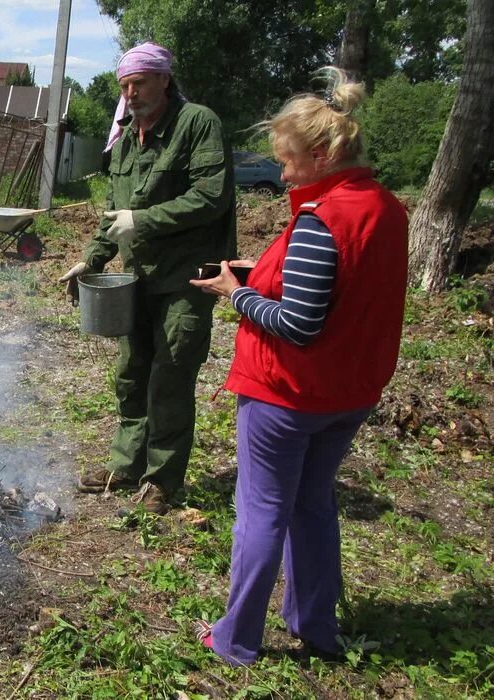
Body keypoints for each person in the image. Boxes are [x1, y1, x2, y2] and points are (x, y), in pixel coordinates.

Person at [189, 67, 408, 666]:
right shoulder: (385, 207)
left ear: (319, 156)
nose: (281, 173)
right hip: (350, 392)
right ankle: (314, 624)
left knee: (262, 511)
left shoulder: (321, 218)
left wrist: (236, 292)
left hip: (289, 394)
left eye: (286, 161)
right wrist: (265, 268)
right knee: (313, 504)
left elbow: (299, 323)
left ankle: (235, 639)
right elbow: (345, 285)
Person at [60, 42, 236, 514]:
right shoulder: (126, 135)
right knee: (132, 373)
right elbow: (112, 213)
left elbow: (210, 196)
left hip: (188, 276)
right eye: (125, 85)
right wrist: (92, 259)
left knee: (171, 375)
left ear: (163, 79)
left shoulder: (197, 123)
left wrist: (144, 219)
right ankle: (126, 465)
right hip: (138, 276)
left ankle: (162, 480)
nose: (132, 92)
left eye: (139, 82)